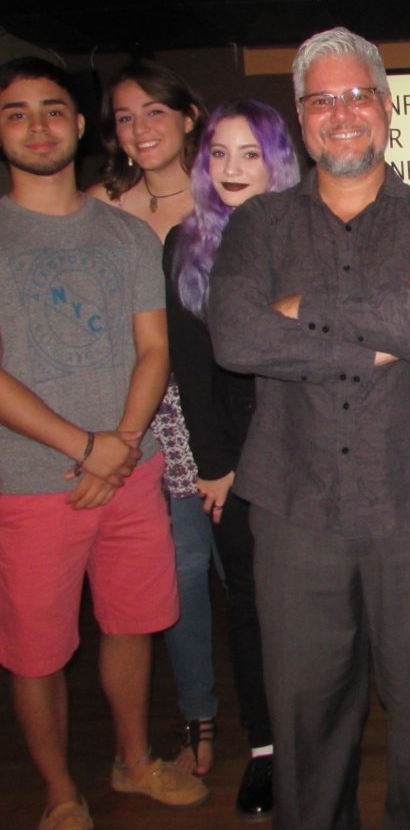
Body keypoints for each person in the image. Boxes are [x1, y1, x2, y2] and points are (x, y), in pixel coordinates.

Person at [206, 27, 410, 830]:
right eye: (323, 99)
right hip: (295, 503)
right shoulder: (257, 226)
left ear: (387, 109)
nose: (342, 112)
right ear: (301, 118)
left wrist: (299, 315)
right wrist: (379, 329)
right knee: (304, 722)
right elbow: (238, 339)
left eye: (357, 94)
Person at [0, 56, 207, 830]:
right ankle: (58, 790)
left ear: (79, 124)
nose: (38, 125)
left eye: (52, 109)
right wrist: (86, 447)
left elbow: (153, 351)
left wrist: (119, 446)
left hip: (130, 470)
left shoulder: (123, 232)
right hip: (26, 480)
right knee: (36, 651)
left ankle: (132, 759)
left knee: (131, 623)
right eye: (16, 112)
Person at [165, 99, 302, 816]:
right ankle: (266, 745)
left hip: (308, 449)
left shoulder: (309, 233)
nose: (232, 168)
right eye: (218, 152)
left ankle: (315, 735)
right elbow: (194, 369)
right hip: (231, 462)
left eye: (249, 153)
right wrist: (219, 464)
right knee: (248, 604)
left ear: (277, 159)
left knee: (314, 605)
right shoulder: (185, 244)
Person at [87, 60, 220, 777]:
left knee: (253, 576)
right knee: (183, 570)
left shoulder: (229, 194)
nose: (139, 129)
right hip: (150, 421)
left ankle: (272, 718)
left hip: (230, 411)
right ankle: (199, 711)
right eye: (126, 117)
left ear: (189, 115)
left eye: (154, 113)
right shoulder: (101, 207)